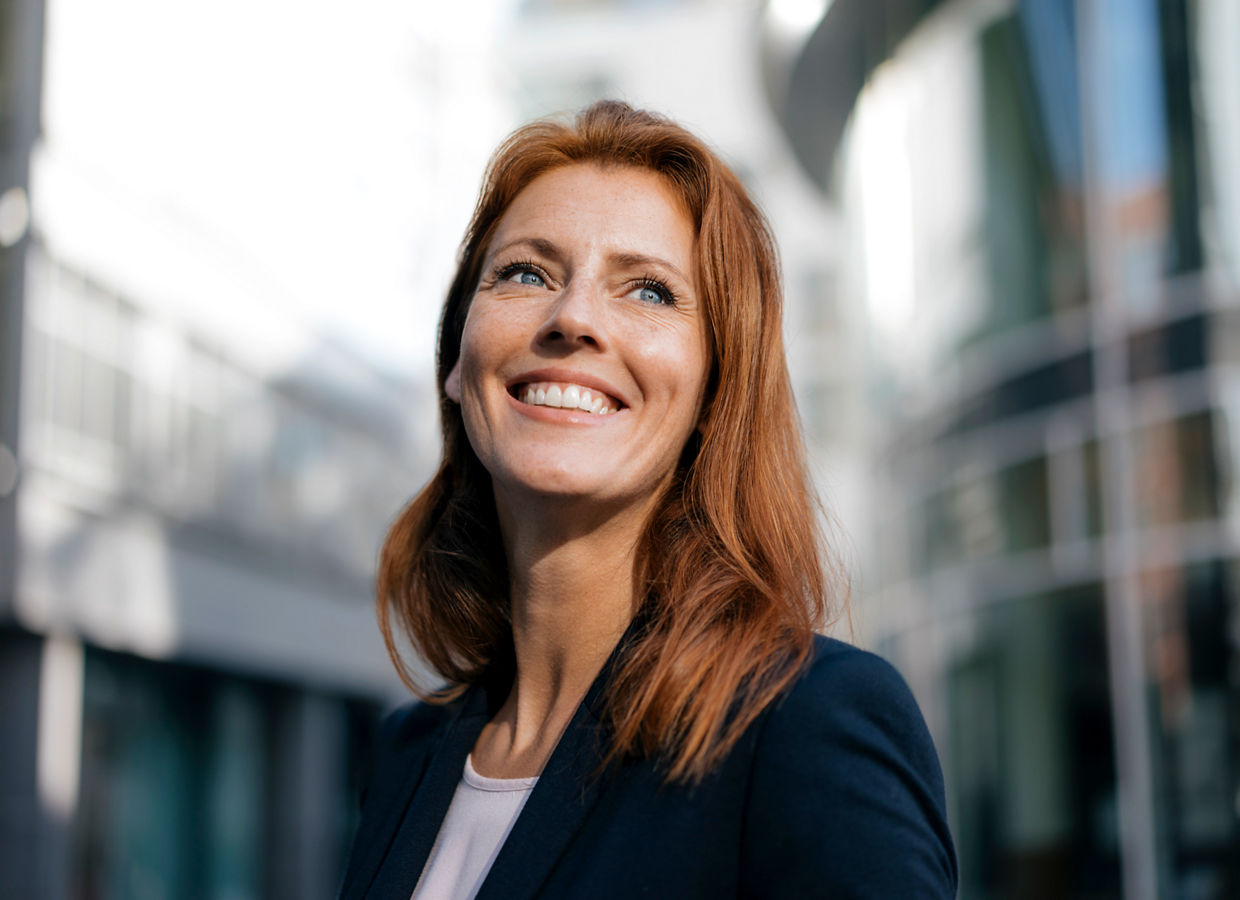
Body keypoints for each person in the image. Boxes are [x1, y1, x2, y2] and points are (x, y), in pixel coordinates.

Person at [338, 100, 957, 900]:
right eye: (526, 273)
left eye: (650, 292)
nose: (572, 318)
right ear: (457, 364)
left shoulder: (805, 727)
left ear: (713, 395)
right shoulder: (407, 753)